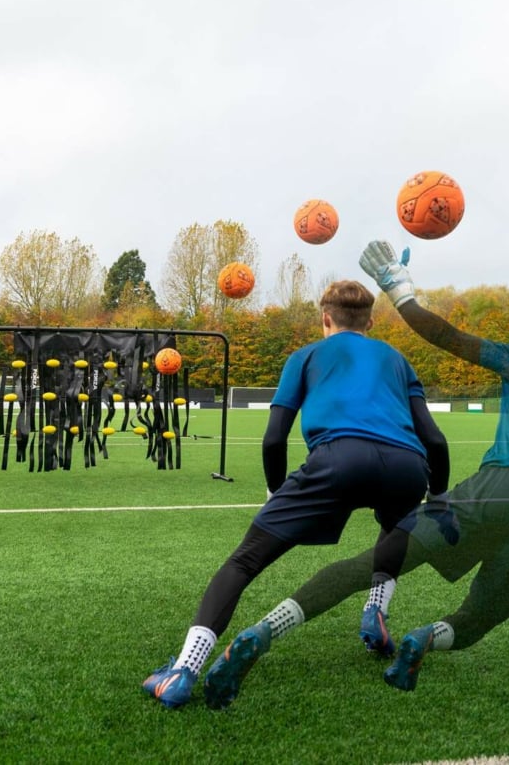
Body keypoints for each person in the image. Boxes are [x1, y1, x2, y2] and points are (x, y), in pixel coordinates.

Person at [200, 240, 509, 706]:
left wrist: (399, 289)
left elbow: (445, 335)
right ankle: (424, 638)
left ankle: (264, 630)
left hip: (496, 492)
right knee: (478, 617)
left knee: (370, 565)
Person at [142, 278, 450, 708]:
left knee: (245, 561)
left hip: (338, 461)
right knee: (396, 524)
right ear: (370, 322)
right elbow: (434, 439)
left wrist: (275, 491)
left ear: (325, 319)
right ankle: (376, 611)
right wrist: (438, 497)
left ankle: (183, 670)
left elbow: (274, 439)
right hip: (408, 467)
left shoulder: (305, 356)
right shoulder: (397, 359)